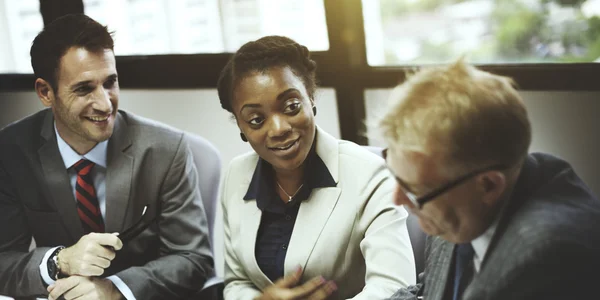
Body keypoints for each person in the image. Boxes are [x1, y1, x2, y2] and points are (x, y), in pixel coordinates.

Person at [0, 14, 213, 299]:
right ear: (45, 92)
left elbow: (193, 259)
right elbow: (3, 262)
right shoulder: (11, 151)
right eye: (84, 88)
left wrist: (115, 290)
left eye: (110, 82)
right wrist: (60, 260)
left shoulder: (166, 149)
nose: (104, 103)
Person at [379, 60, 600, 300]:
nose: (398, 199)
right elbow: (429, 291)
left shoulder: (548, 262)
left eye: (414, 189)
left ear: (489, 186)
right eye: (396, 176)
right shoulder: (457, 198)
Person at [216, 35, 416, 300]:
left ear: (310, 98)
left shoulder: (370, 174)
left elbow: (395, 288)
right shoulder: (236, 174)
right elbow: (236, 281)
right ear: (241, 128)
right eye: (256, 120)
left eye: (291, 106)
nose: (279, 129)